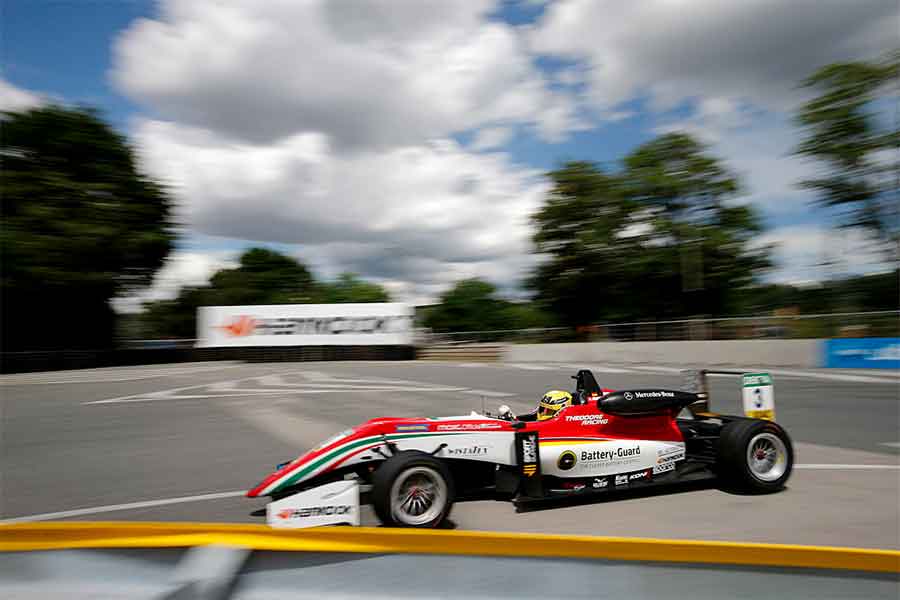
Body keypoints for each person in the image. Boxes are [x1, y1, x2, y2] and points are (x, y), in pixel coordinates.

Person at [498, 390, 573, 422]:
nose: (544, 413)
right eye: (543, 409)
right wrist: (515, 419)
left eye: (549, 411)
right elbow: (533, 416)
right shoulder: (539, 415)